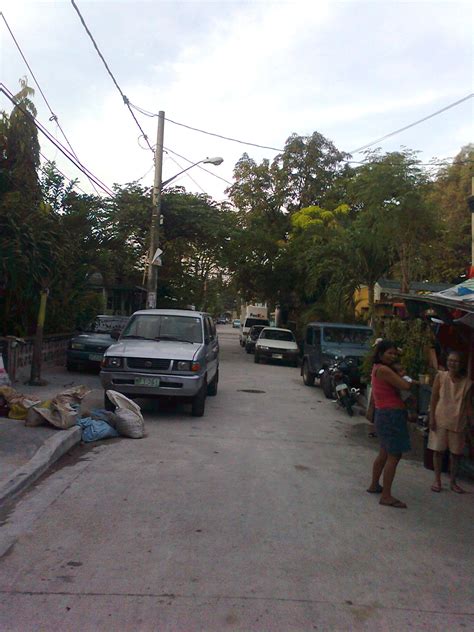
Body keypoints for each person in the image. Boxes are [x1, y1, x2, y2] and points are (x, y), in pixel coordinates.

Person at [367, 340, 412, 508]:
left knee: (384, 452)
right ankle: (386, 495)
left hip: (383, 413)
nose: (393, 356)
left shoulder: (377, 368)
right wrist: (405, 375)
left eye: (395, 353)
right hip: (392, 414)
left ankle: (374, 485)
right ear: (380, 354)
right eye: (389, 353)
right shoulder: (385, 370)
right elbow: (406, 385)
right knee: (394, 455)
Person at [428, 351, 472, 494]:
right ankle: (437, 480)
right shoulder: (440, 377)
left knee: (456, 453)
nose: (452, 363)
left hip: (458, 421)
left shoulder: (468, 383)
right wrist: (431, 418)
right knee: (438, 451)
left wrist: (470, 423)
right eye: (450, 360)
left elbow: (468, 404)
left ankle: (453, 481)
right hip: (440, 418)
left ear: (461, 364)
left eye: (456, 361)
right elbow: (433, 399)